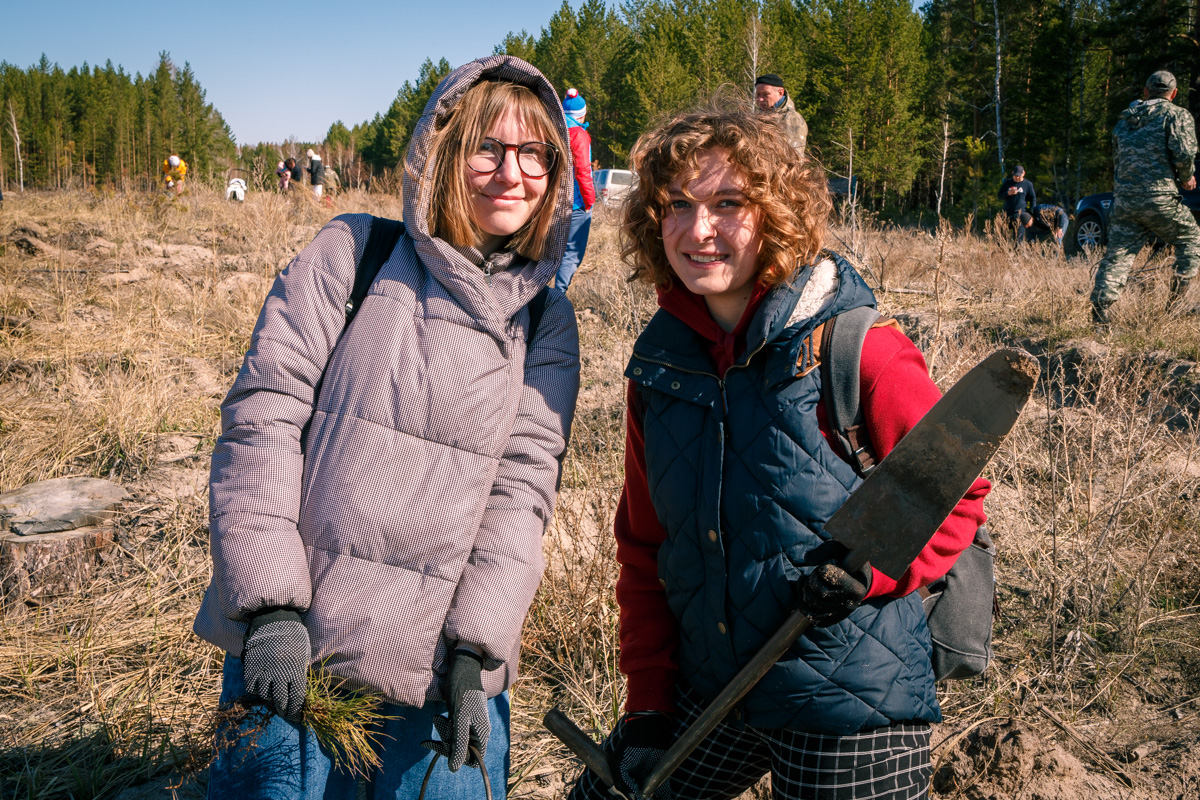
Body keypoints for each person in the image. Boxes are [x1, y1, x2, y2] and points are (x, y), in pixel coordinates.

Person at [567, 104, 989, 800]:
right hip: (717, 686)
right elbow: (645, 547)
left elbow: (957, 493)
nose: (698, 230)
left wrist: (871, 575)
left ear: (775, 213)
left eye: (727, 203)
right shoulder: (663, 368)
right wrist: (646, 708)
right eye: (677, 205)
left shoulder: (855, 347)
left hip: (850, 696)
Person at [194, 54, 581, 800]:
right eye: (487, 148)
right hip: (296, 652)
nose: (512, 173)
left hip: (436, 678)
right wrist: (270, 606)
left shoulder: (547, 323)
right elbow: (261, 420)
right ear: (442, 153)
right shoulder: (354, 256)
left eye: (535, 153)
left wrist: (478, 650)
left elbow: (521, 495)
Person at [1091, 70, 1199, 324]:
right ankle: (1175, 307)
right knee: (1190, 238)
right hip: (1159, 196)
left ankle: (1100, 314)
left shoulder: (1125, 119)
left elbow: (1117, 159)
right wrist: (1186, 177)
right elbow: (1184, 153)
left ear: (1146, 91)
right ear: (1173, 94)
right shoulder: (1176, 114)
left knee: (1118, 254)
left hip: (1125, 200)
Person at [553, 88, 597, 291]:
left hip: (554, 201)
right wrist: (589, 201)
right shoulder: (578, 134)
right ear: (583, 114)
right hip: (576, 204)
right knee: (572, 254)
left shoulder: (554, 131)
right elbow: (583, 171)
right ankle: (558, 299)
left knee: (552, 252)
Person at [754, 74, 808, 159]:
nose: (760, 99)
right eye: (758, 94)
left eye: (765, 94)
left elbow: (795, 160)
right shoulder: (756, 117)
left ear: (780, 93)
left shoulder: (792, 119)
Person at [998, 165, 1036, 237]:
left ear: (1023, 173)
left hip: (1020, 214)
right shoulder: (1007, 183)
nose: (1017, 177)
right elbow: (1000, 196)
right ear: (1012, 173)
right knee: (1002, 236)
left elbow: (1032, 198)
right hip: (1007, 213)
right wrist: (1008, 193)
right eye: (1015, 175)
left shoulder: (1028, 184)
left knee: (1018, 239)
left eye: (1019, 175)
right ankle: (1003, 248)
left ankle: (1017, 248)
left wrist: (1031, 212)